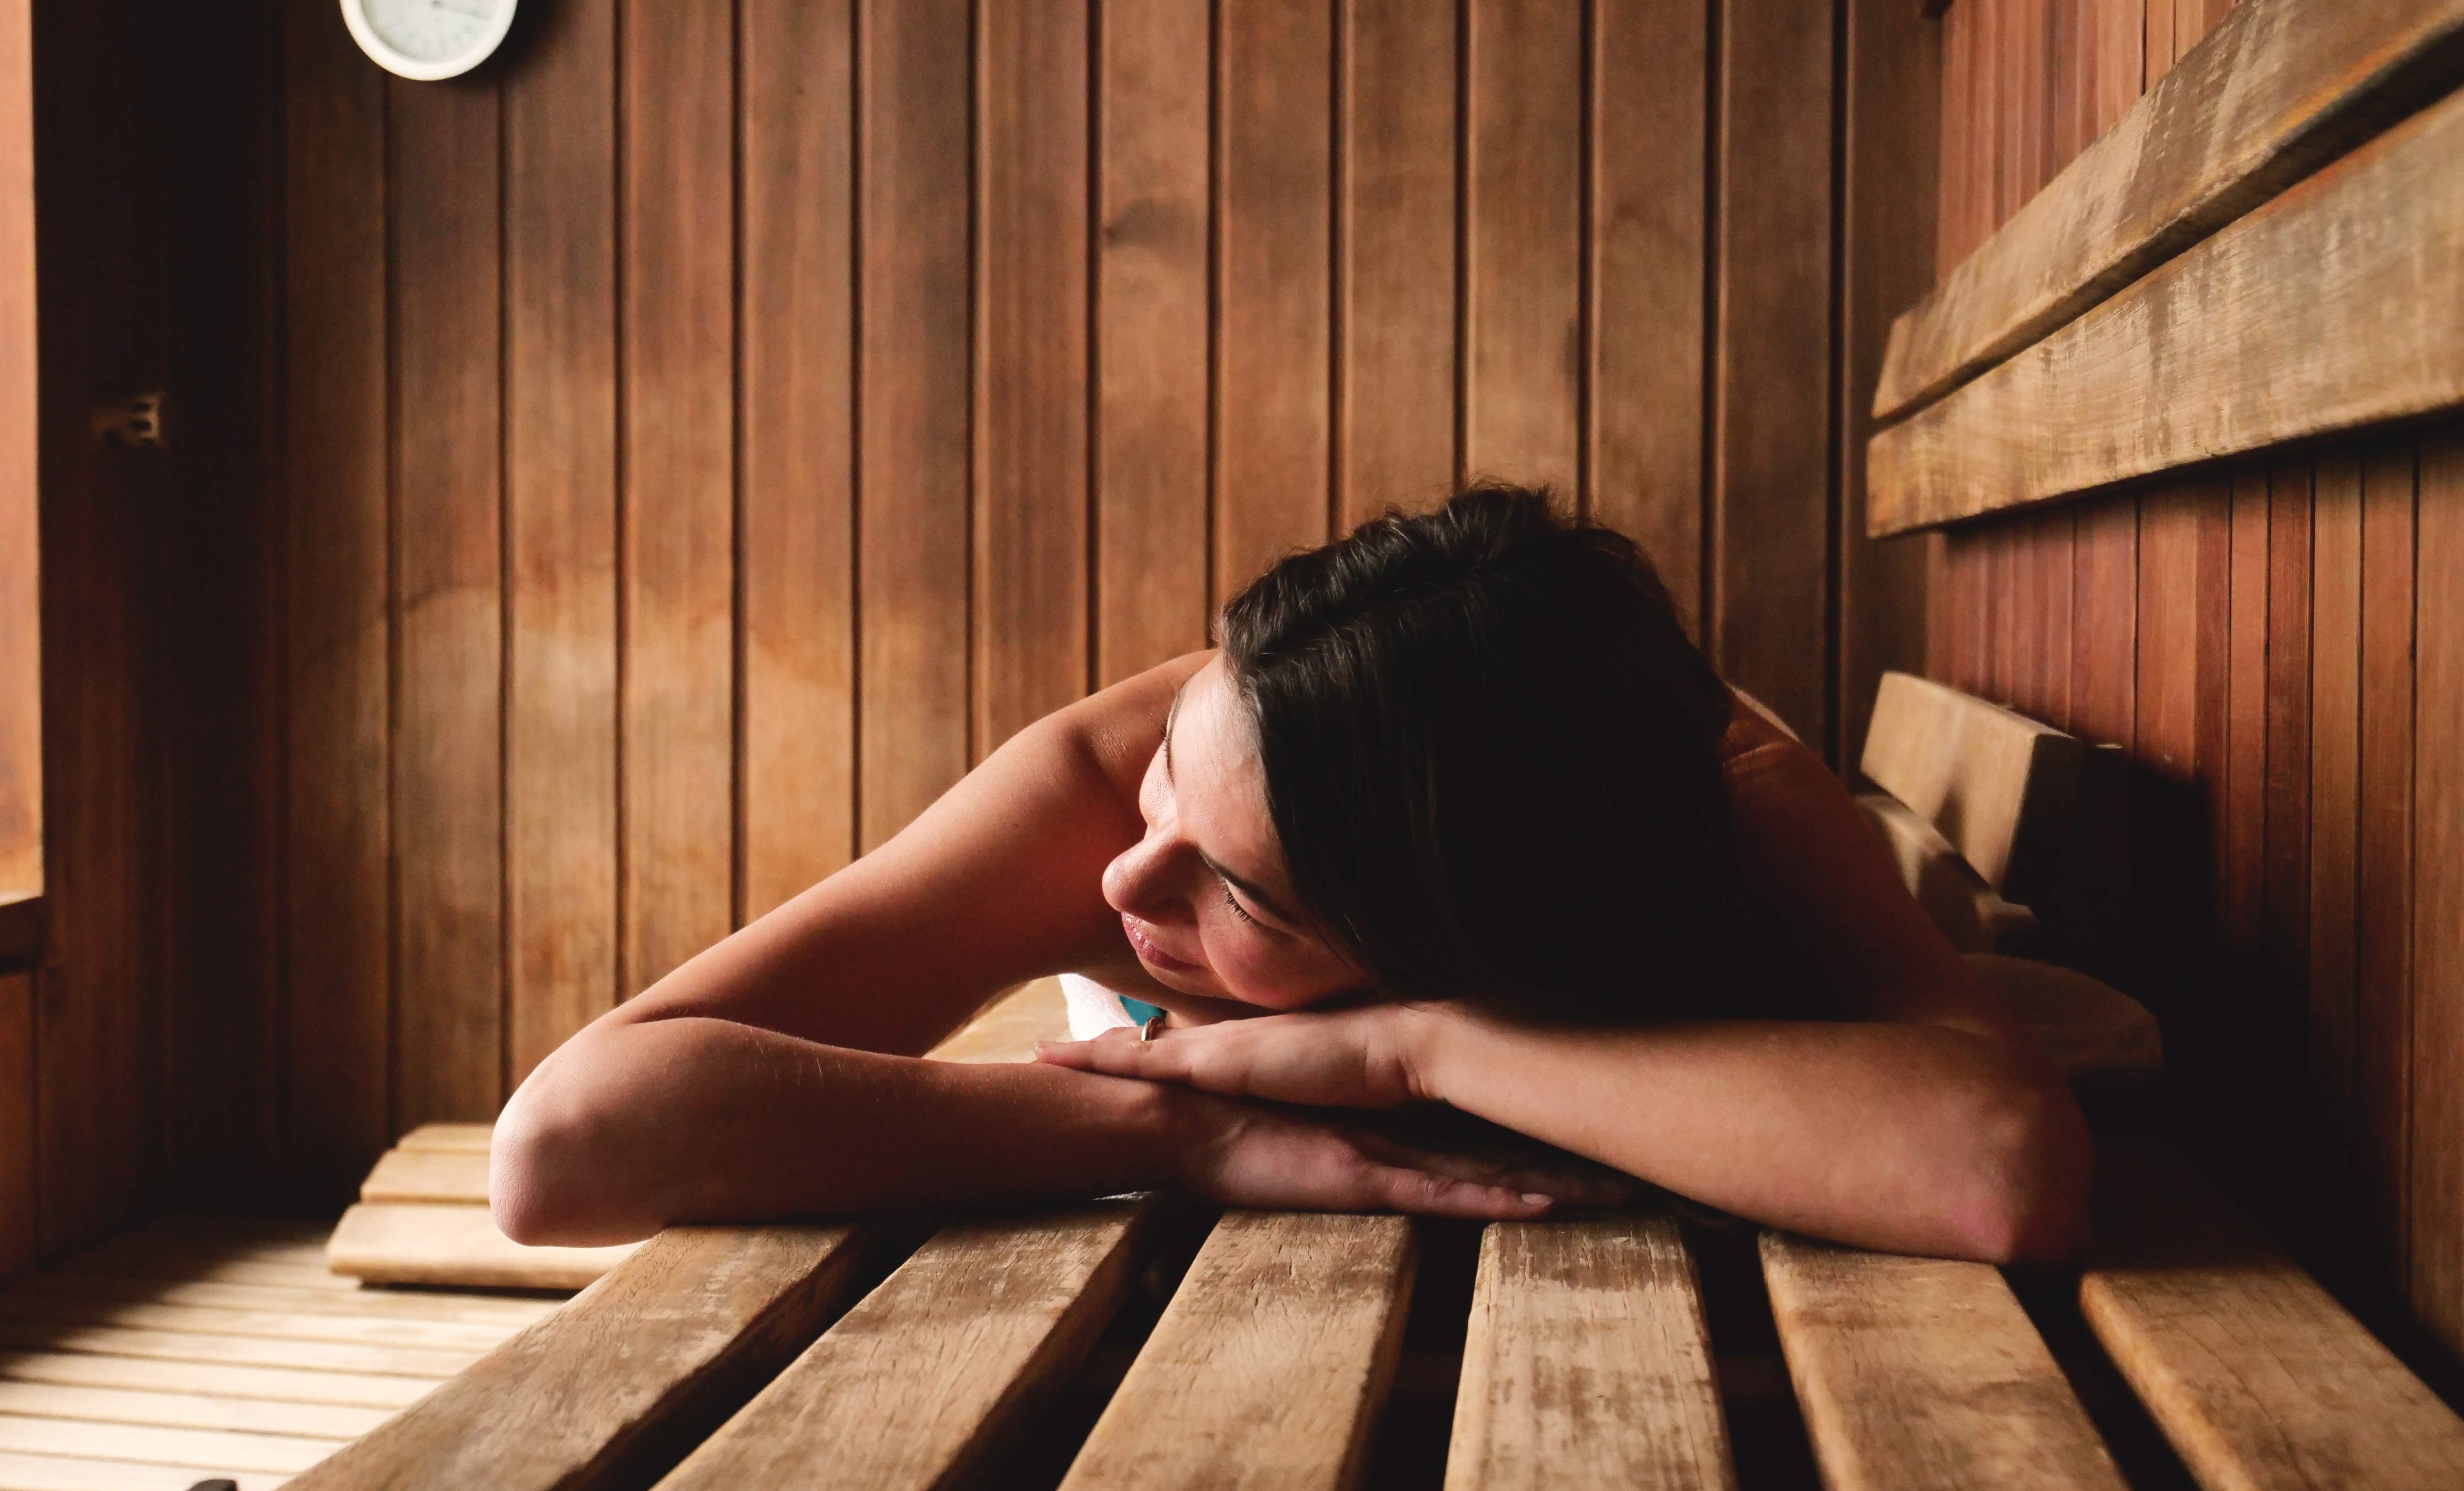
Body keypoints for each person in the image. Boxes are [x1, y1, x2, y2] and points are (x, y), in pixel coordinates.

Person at [489, 484, 2088, 1264]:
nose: (1128, 881)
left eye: (1239, 900)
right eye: (1173, 781)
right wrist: (1179, 1130)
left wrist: (1419, 1050)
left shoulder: (1716, 795)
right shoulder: (1102, 787)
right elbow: (566, 1146)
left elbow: (1996, 1165)